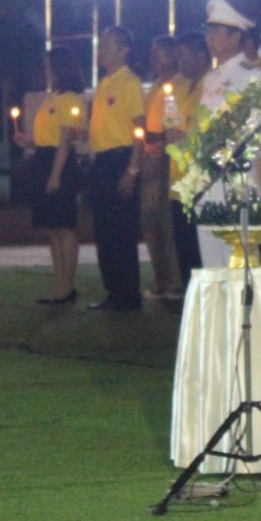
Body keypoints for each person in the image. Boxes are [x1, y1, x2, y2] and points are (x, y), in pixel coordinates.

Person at [196, 0, 261, 270]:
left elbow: (259, 130)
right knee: (212, 268)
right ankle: (218, 314)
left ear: (236, 37)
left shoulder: (251, 76)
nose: (210, 38)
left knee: (238, 264)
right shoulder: (212, 77)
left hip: (236, 182)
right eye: (208, 31)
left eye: (217, 32)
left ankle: (242, 315)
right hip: (208, 182)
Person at [15, 45, 85, 304]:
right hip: (44, 160)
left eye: (49, 67)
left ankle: (67, 285)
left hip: (60, 164)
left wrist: (55, 175)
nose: (46, 72)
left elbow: (65, 141)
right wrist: (29, 142)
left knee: (64, 227)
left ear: (60, 68)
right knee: (52, 228)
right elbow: (49, 138)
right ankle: (59, 283)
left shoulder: (69, 99)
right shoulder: (51, 98)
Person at [85, 26, 147, 311]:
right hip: (102, 161)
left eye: (108, 46)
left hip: (121, 160)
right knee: (104, 230)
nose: (101, 51)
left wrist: (132, 169)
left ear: (124, 50)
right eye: (101, 46)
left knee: (121, 230)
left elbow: (139, 130)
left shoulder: (130, 82)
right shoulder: (104, 83)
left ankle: (128, 293)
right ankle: (114, 291)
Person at [140, 34, 183, 300]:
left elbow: (176, 124)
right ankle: (161, 279)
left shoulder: (180, 85)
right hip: (151, 156)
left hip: (170, 158)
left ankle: (175, 282)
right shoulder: (156, 86)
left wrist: (163, 146)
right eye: (153, 55)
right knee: (150, 220)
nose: (154, 59)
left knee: (167, 223)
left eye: (159, 54)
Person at [167, 33, 209, 281]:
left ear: (201, 56)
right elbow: (170, 121)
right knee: (183, 243)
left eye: (183, 56)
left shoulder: (211, 84)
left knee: (200, 246)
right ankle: (189, 297)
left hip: (200, 179)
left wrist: (184, 136)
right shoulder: (180, 84)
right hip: (178, 178)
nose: (179, 62)